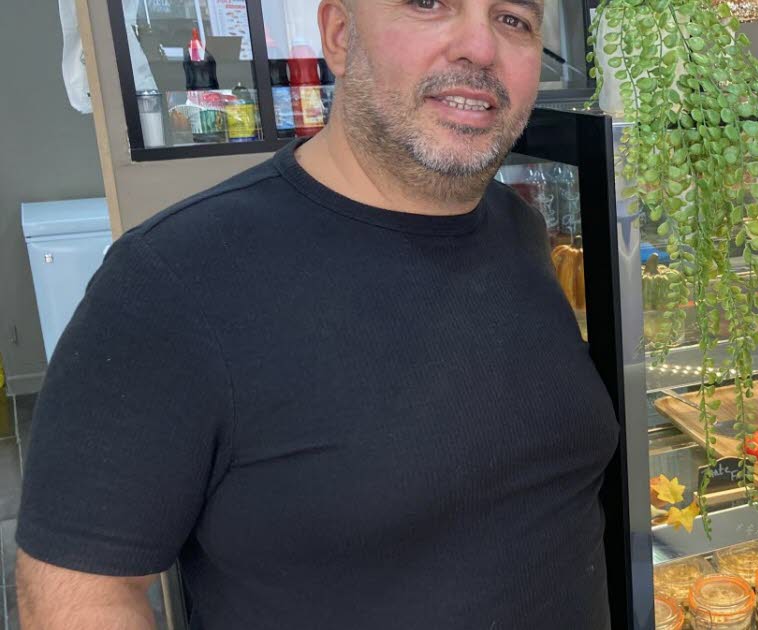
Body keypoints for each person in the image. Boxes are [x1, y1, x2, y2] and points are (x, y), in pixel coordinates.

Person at [16, 0, 619, 627]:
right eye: (428, 3)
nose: (481, 47)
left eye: (513, 19)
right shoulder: (172, 280)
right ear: (338, 34)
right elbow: (75, 593)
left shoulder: (521, 231)